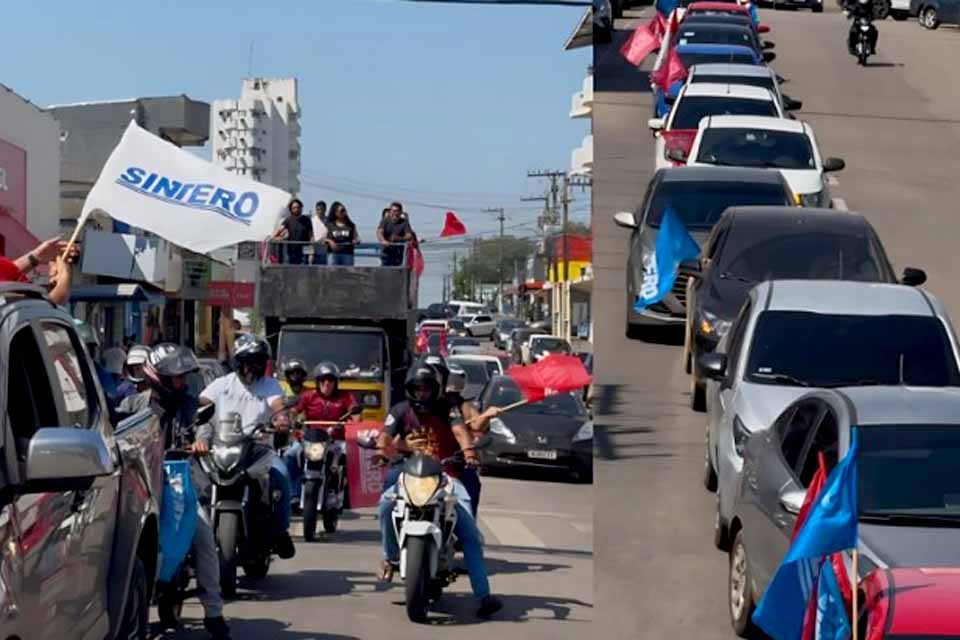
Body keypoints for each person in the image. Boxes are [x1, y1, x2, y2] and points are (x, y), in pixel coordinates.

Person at [375, 361, 503, 619]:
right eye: (418, 389)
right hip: (410, 475)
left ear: (435, 389)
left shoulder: (449, 409)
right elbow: (384, 436)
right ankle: (389, 558)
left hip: (445, 476)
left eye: (427, 389)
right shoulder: (400, 410)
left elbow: (461, 432)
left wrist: (469, 453)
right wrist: (381, 452)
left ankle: (483, 595)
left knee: (469, 532)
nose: (422, 393)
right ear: (410, 389)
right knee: (386, 505)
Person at [143, 344, 233, 640]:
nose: (182, 383)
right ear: (159, 378)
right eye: (176, 377)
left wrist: (201, 442)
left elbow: (204, 429)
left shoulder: (192, 406)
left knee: (205, 535)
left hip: (181, 484)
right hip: (142, 487)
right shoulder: (136, 408)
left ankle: (214, 613)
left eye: (184, 377)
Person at [198, 336, 297, 560]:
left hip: (259, 450)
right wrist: (199, 429)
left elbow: (278, 405)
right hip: (224, 448)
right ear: (237, 362)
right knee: (197, 484)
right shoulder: (222, 385)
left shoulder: (270, 385)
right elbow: (202, 404)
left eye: (258, 361)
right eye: (248, 361)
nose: (253, 367)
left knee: (281, 476)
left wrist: (281, 418)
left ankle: (280, 531)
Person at [283, 362, 361, 497]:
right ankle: (294, 494)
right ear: (317, 382)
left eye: (330, 380)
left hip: (335, 440)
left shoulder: (345, 396)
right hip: (310, 438)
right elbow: (294, 411)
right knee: (289, 455)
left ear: (335, 382)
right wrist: (292, 420)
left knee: (352, 455)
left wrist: (355, 419)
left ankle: (349, 493)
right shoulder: (308, 396)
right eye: (322, 380)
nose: (326, 383)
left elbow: (355, 414)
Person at [444, 362, 503, 516]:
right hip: (429, 460)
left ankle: (470, 522)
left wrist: (488, 415)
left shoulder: (465, 406)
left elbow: (477, 426)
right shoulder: (425, 404)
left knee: (472, 484)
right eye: (450, 380)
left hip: (457, 460)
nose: (453, 385)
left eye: (457, 380)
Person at [273, 198, 313, 265]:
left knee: (304, 273)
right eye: (294, 208)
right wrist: (275, 237)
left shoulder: (307, 220)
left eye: (298, 207)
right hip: (292, 252)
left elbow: (311, 237)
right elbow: (278, 230)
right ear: (291, 209)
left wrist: (311, 253)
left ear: (301, 207)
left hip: (304, 252)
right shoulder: (288, 220)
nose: (296, 209)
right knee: (292, 273)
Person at [116, 344, 151, 414]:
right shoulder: (126, 387)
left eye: (139, 367)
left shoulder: (156, 390)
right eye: (134, 368)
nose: (137, 372)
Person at [377, 202, 413, 267]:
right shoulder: (385, 221)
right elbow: (379, 232)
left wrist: (399, 238)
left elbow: (409, 235)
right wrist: (383, 240)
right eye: (393, 211)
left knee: (398, 273)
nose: (395, 213)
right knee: (385, 272)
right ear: (390, 211)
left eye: (397, 211)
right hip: (386, 252)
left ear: (401, 212)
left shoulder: (404, 222)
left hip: (399, 254)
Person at [325, 202, 360, 266]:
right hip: (333, 254)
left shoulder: (351, 225)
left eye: (345, 210)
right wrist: (330, 241)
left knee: (347, 274)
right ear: (336, 213)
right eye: (342, 211)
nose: (344, 212)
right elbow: (324, 238)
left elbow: (357, 238)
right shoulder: (330, 225)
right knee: (333, 274)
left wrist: (356, 240)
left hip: (347, 254)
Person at [311, 201, 329, 265]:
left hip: (327, 254)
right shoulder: (311, 221)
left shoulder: (330, 221)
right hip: (314, 253)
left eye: (322, 209)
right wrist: (310, 253)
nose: (320, 211)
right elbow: (309, 238)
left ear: (325, 210)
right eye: (318, 209)